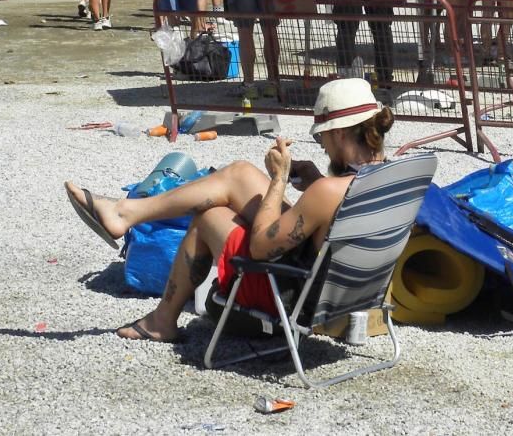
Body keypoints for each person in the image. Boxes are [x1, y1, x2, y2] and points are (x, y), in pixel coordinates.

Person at [63, 78, 394, 343]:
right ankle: (125, 214)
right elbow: (338, 212)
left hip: (295, 295)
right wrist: (315, 180)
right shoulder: (392, 178)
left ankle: (162, 317)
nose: (321, 144)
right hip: (347, 289)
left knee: (209, 216)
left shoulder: (327, 192)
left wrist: (279, 180)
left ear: (338, 132)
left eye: (322, 136)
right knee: (240, 174)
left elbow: (260, 247)